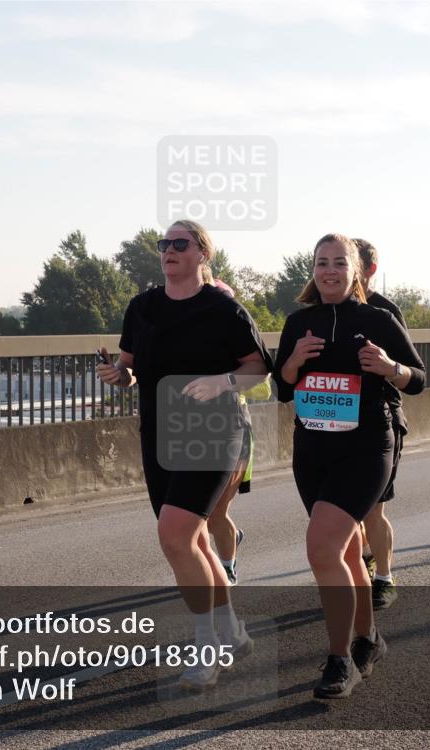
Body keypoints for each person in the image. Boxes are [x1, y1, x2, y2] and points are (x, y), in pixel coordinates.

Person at [98, 219, 272, 691]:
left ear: (202, 254)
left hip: (215, 431)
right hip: (160, 433)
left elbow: (259, 368)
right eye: (165, 244)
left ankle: (206, 648)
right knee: (192, 542)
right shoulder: (143, 308)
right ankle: (231, 631)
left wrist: (222, 382)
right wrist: (120, 376)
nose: (169, 250)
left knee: (175, 535)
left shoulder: (222, 308)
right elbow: (131, 367)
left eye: (181, 243)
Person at [273, 233, 425, 699]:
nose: (330, 270)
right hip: (313, 451)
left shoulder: (378, 318)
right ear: (313, 270)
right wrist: (294, 361)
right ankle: (369, 640)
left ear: (356, 270)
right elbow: (282, 389)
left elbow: (418, 379)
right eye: (322, 262)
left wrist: (387, 367)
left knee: (322, 547)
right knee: (342, 554)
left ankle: (340, 660)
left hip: (366, 448)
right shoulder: (299, 322)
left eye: (340, 262)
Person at [353, 238, 406, 610]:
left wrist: (387, 367)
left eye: (349, 264)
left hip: (379, 419)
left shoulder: (385, 312)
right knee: (342, 509)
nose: (339, 272)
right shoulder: (319, 310)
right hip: (330, 425)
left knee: (373, 508)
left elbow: (411, 370)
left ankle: (384, 576)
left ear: (369, 269)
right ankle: (361, 560)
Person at [201, 265, 263, 585]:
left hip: (234, 433)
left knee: (214, 514)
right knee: (196, 517)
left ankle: (226, 569)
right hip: (194, 433)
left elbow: (264, 384)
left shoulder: (242, 346)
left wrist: (228, 381)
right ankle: (210, 564)